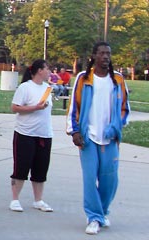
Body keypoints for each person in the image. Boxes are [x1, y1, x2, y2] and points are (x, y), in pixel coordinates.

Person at [66, 42, 130, 235]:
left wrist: (116, 126)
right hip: (88, 136)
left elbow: (125, 109)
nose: (105, 57)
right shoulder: (84, 78)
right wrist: (75, 131)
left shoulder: (117, 80)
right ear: (93, 56)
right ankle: (94, 217)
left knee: (110, 180)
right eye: (101, 53)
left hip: (110, 137)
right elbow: (74, 107)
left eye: (108, 53)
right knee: (89, 177)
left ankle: (102, 212)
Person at [9, 59, 54, 213]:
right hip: (25, 133)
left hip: (44, 134)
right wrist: (35, 107)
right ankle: (15, 199)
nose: (49, 72)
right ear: (39, 70)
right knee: (21, 167)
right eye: (47, 69)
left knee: (41, 169)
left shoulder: (47, 88)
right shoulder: (25, 87)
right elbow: (15, 108)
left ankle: (38, 200)